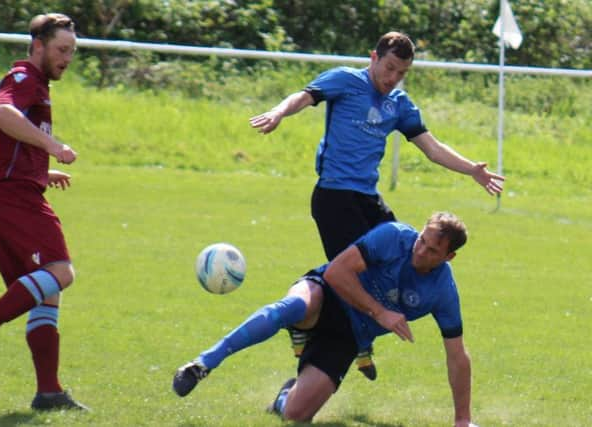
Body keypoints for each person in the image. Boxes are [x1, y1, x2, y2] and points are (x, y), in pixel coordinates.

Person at [249, 31, 504, 380]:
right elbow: (304, 97)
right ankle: (315, 328)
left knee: (398, 260)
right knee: (351, 274)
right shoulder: (344, 80)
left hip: (369, 199)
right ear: (373, 57)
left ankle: (352, 333)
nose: (392, 78)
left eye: (401, 73)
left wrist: (471, 169)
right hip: (333, 197)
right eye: (389, 68)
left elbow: (431, 147)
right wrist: (279, 112)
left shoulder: (398, 103)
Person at [172, 212, 477, 427]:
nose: (420, 250)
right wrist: (379, 312)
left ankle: (283, 395)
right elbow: (336, 272)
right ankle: (202, 364)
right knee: (292, 307)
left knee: (296, 414)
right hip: (327, 292)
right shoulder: (394, 236)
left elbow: (457, 355)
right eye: (422, 240)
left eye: (432, 250)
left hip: (349, 336)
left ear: (449, 257)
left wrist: (462, 419)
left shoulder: (442, 292)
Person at [0, 13, 88, 411]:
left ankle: (48, 392)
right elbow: (2, 115)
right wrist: (52, 147)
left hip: (12, 192)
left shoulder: (38, 85)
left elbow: (7, 143)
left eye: (72, 51)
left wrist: (41, 171)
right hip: (12, 199)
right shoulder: (23, 79)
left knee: (45, 291)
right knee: (61, 273)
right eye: (61, 50)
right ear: (37, 46)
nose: (67, 57)